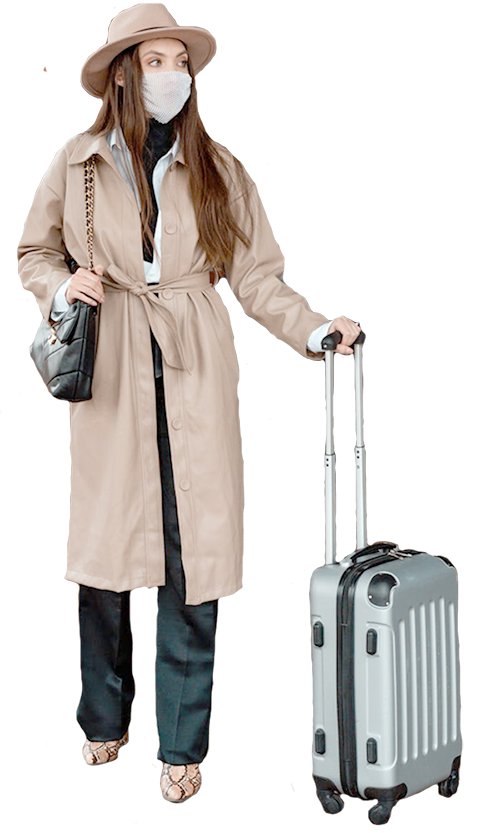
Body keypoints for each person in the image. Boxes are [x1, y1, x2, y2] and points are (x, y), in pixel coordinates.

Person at [17, 3, 361, 804]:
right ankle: (103, 718)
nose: (172, 74)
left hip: (195, 370)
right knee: (104, 560)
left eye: (182, 61)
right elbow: (34, 249)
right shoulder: (77, 163)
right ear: (123, 74)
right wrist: (60, 285)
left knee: (191, 560)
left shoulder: (218, 168)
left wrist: (315, 330)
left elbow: (258, 277)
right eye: (156, 60)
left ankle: (181, 743)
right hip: (110, 371)